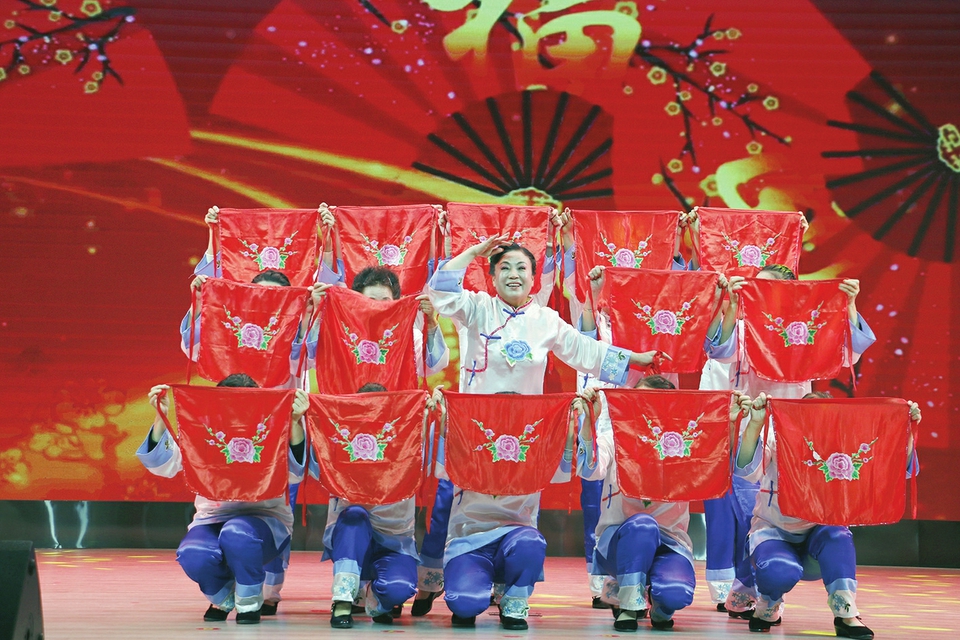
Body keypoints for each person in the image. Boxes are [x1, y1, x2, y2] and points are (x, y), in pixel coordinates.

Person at [703, 263, 877, 618]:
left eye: (768, 288)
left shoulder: (809, 330)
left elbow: (849, 352)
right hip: (753, 431)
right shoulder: (746, 329)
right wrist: (732, 306)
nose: (759, 294)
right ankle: (759, 589)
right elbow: (718, 351)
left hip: (798, 438)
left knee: (796, 516)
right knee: (751, 516)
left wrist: (849, 305)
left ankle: (752, 589)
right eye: (756, 288)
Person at [736, 392, 921, 638]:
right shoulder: (776, 436)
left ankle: (846, 614)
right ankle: (768, 605)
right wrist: (755, 424)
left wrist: (905, 429)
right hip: (774, 532)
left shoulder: (845, 443)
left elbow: (893, 466)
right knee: (779, 569)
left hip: (820, 535)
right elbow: (745, 470)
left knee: (838, 535)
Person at [136, 374, 307, 624]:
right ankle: (224, 598)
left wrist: (294, 421)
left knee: (237, 533)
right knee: (193, 553)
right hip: (211, 519)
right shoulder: (203, 431)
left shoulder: (272, 429)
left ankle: (249, 604)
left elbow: (295, 473)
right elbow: (162, 465)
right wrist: (161, 416)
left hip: (265, 520)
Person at [578, 375, 742, 631]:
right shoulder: (616, 436)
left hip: (670, 542)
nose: (647, 406)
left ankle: (656, 602)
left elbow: (717, 465)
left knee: (674, 594)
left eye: (655, 402)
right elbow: (590, 471)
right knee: (643, 526)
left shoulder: (686, 442)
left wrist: (729, 426)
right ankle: (629, 604)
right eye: (640, 399)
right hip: (620, 541)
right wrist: (590, 421)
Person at [430, 390, 580, 631]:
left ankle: (513, 601)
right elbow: (440, 467)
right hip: (469, 541)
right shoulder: (468, 441)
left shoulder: (534, 447)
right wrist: (445, 416)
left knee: (531, 542)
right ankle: (475, 585)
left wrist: (571, 421)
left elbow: (563, 471)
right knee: (464, 606)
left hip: (516, 537)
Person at [311, 382, 436, 629]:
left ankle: (375, 598)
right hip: (351, 539)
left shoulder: (408, 441)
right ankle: (343, 599)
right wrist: (299, 420)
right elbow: (316, 467)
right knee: (354, 516)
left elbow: (435, 460)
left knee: (398, 589)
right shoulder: (341, 442)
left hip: (395, 543)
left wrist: (426, 417)